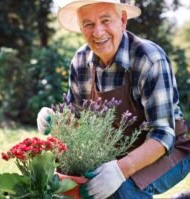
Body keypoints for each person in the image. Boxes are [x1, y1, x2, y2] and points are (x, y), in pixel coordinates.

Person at [36, 0, 190, 198]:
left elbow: (162, 134)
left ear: (123, 20)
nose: (98, 32)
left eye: (105, 20)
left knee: (122, 191)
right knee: (64, 184)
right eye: (88, 24)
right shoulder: (81, 61)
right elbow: (76, 124)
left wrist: (121, 170)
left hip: (170, 148)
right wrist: (55, 119)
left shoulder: (149, 59)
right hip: (115, 152)